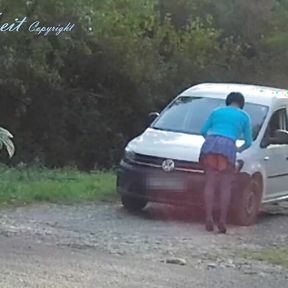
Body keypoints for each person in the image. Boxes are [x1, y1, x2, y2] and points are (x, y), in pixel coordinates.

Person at [199, 92, 253, 233]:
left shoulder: (216, 111)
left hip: (211, 144)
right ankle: (222, 220)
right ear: (241, 103)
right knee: (225, 186)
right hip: (228, 146)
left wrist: (210, 141)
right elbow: (248, 142)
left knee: (210, 183)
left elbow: (203, 130)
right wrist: (237, 149)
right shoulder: (244, 116)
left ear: (227, 102)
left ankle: (208, 218)